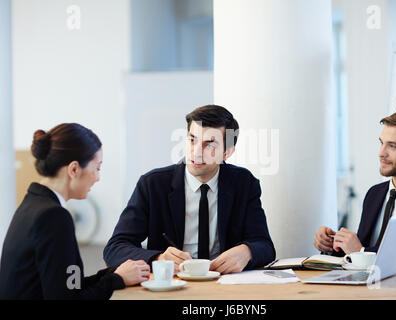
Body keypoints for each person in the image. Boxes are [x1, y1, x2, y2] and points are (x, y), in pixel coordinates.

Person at [104, 105, 275, 274]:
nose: (196, 152)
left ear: (227, 152)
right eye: (192, 140)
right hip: (171, 284)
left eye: (209, 145)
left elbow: (265, 246)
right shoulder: (153, 184)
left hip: (222, 283)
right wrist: (158, 259)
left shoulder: (244, 184)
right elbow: (115, 248)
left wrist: (247, 251)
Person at [0, 123, 150, 300]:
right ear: (74, 169)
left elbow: (67, 286)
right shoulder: (53, 217)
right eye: (97, 168)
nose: (97, 177)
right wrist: (116, 279)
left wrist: (114, 274)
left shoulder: (33, 204)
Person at [314, 110, 396, 267]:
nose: (381, 153)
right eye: (381, 143)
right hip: (364, 285)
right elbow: (365, 245)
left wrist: (362, 252)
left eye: (392, 146)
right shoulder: (374, 193)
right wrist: (334, 244)